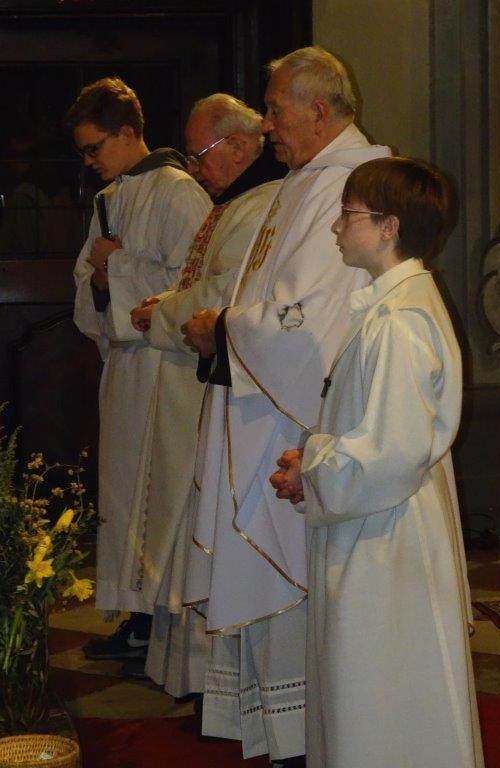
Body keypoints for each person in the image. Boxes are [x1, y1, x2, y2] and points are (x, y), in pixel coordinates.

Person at [182, 47, 391, 765]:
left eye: (274, 110)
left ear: (318, 111)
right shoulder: (305, 182)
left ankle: (306, 744)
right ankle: (287, 740)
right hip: (265, 409)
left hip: (300, 426)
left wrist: (223, 328)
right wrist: (231, 327)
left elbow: (306, 329)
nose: (266, 124)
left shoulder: (353, 187)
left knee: (298, 587)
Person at [270, 157, 485, 768]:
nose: (336, 227)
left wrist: (312, 468)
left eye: (349, 215)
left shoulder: (399, 321)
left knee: (381, 689)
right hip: (379, 517)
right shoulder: (392, 306)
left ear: (389, 227)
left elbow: (390, 454)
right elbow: (380, 432)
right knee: (376, 685)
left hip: (385, 532)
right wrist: (316, 456)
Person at [122, 93, 285, 691]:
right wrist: (170, 306)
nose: (194, 169)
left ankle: (214, 681)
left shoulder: (263, 204)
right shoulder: (235, 203)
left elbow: (225, 295)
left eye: (200, 154)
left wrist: (164, 312)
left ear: (239, 145)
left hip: (231, 391)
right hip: (202, 383)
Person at [68, 76, 211, 659]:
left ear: (128, 133)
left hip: (168, 371)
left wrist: (119, 266)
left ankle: (164, 623)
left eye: (95, 147)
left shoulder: (180, 192)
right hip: (126, 368)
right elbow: (88, 282)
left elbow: (198, 285)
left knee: (163, 495)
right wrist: (105, 278)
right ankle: (136, 615)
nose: (89, 160)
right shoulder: (108, 199)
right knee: (127, 496)